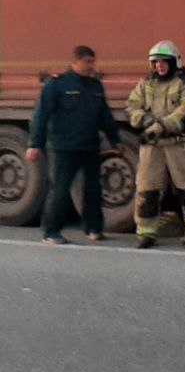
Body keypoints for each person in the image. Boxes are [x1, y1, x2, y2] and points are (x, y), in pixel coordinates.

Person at [126, 40, 185, 250]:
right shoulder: (146, 83)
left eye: (164, 61)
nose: (159, 65)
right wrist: (145, 120)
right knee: (147, 188)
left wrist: (160, 126)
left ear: (174, 61)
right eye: (155, 62)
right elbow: (132, 106)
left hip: (180, 144)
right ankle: (146, 232)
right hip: (153, 145)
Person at [26, 45, 121, 245]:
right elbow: (41, 115)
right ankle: (51, 232)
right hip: (63, 147)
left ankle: (94, 228)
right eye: (87, 62)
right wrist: (34, 144)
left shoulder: (95, 86)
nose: (91, 66)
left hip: (89, 146)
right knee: (60, 190)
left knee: (93, 189)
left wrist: (115, 139)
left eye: (93, 62)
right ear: (75, 62)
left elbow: (105, 116)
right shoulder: (57, 84)